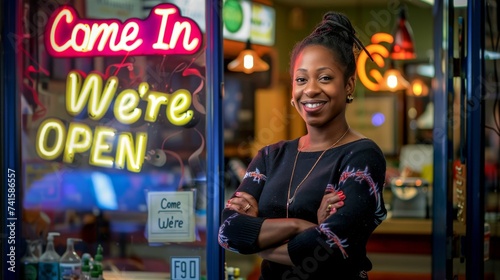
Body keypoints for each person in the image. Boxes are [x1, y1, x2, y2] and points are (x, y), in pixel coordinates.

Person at [218, 11, 387, 279]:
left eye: (325, 78)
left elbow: (328, 246)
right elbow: (228, 230)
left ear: (349, 85)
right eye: (301, 79)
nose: (310, 89)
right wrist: (302, 226)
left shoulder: (363, 156)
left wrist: (259, 241)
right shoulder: (271, 155)